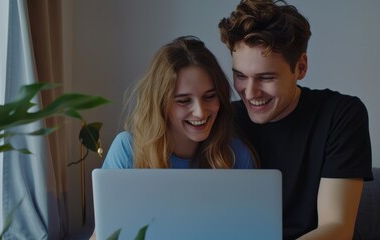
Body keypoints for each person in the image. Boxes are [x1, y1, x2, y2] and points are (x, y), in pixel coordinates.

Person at [218, 0, 373, 239]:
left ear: (300, 67)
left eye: (265, 77)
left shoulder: (340, 114)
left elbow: (337, 228)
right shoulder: (222, 119)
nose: (249, 92)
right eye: (240, 76)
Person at [90, 35, 257, 239]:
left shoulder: (235, 154)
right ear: (162, 104)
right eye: (184, 100)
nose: (200, 112)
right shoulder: (128, 150)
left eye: (209, 96)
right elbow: (104, 234)